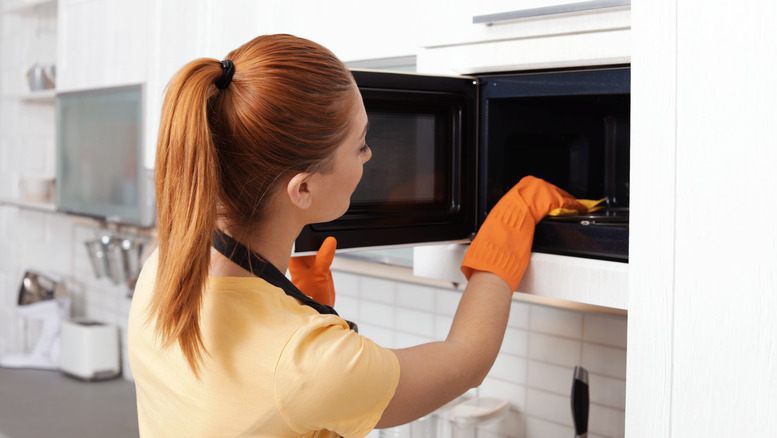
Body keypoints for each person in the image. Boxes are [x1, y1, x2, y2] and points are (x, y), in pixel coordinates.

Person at [127, 34, 585, 437]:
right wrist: (504, 239)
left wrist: (291, 299)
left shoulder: (163, 270)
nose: (369, 158)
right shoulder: (309, 363)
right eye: (361, 144)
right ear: (303, 188)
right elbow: (468, 359)